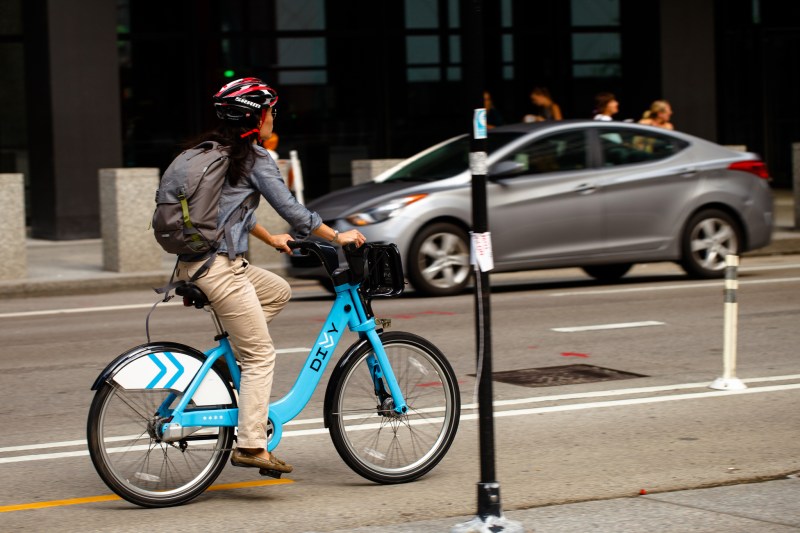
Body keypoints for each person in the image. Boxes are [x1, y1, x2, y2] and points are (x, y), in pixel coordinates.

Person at [176, 77, 366, 474]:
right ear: (255, 117)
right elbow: (293, 210)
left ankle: (231, 363)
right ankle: (251, 443)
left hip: (198, 262)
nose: (273, 117)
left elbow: (232, 210)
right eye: (270, 111)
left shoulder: (212, 150)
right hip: (220, 269)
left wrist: (270, 238)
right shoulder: (255, 157)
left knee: (277, 290)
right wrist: (338, 237)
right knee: (261, 355)